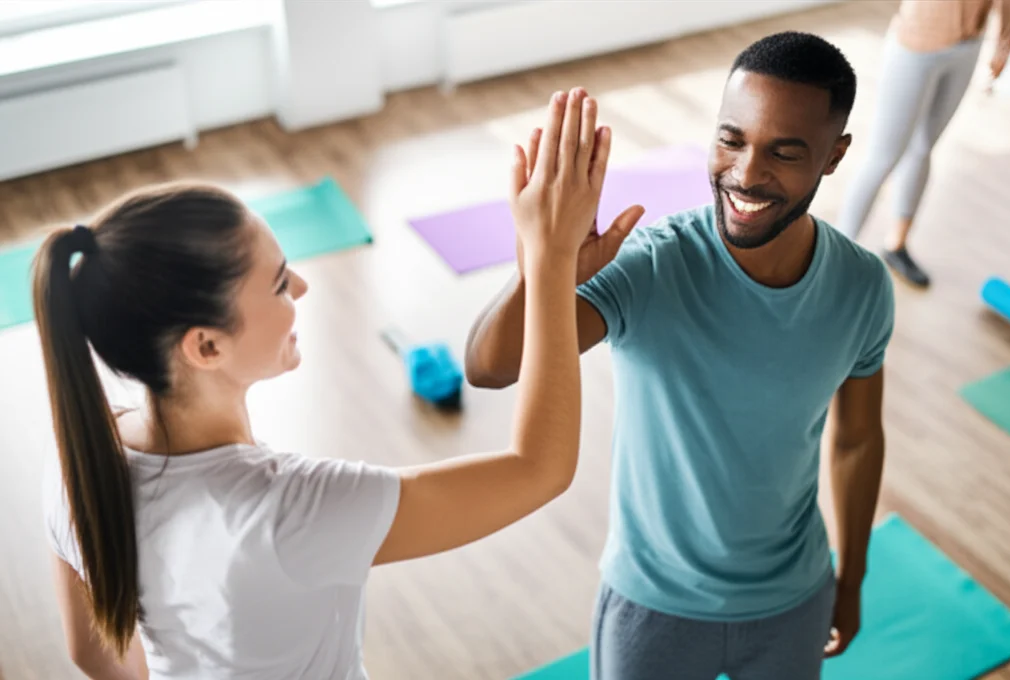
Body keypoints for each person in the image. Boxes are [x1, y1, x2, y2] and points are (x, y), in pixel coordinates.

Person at [36, 89, 637, 679]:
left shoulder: (80, 467)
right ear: (206, 346)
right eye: (276, 283)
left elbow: (92, 654)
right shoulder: (289, 512)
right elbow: (539, 468)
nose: (299, 286)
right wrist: (551, 262)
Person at [465, 33, 894, 680]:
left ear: (833, 156)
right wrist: (543, 268)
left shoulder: (861, 286)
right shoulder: (652, 265)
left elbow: (858, 439)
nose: (747, 174)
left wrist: (852, 577)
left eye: (784, 152)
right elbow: (491, 366)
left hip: (794, 600)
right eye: (732, 139)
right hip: (651, 609)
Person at [837, 0, 1010, 287]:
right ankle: (835, 257)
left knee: (922, 149)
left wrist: (1005, 39)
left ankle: (897, 245)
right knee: (884, 156)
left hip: (968, 45)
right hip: (915, 43)